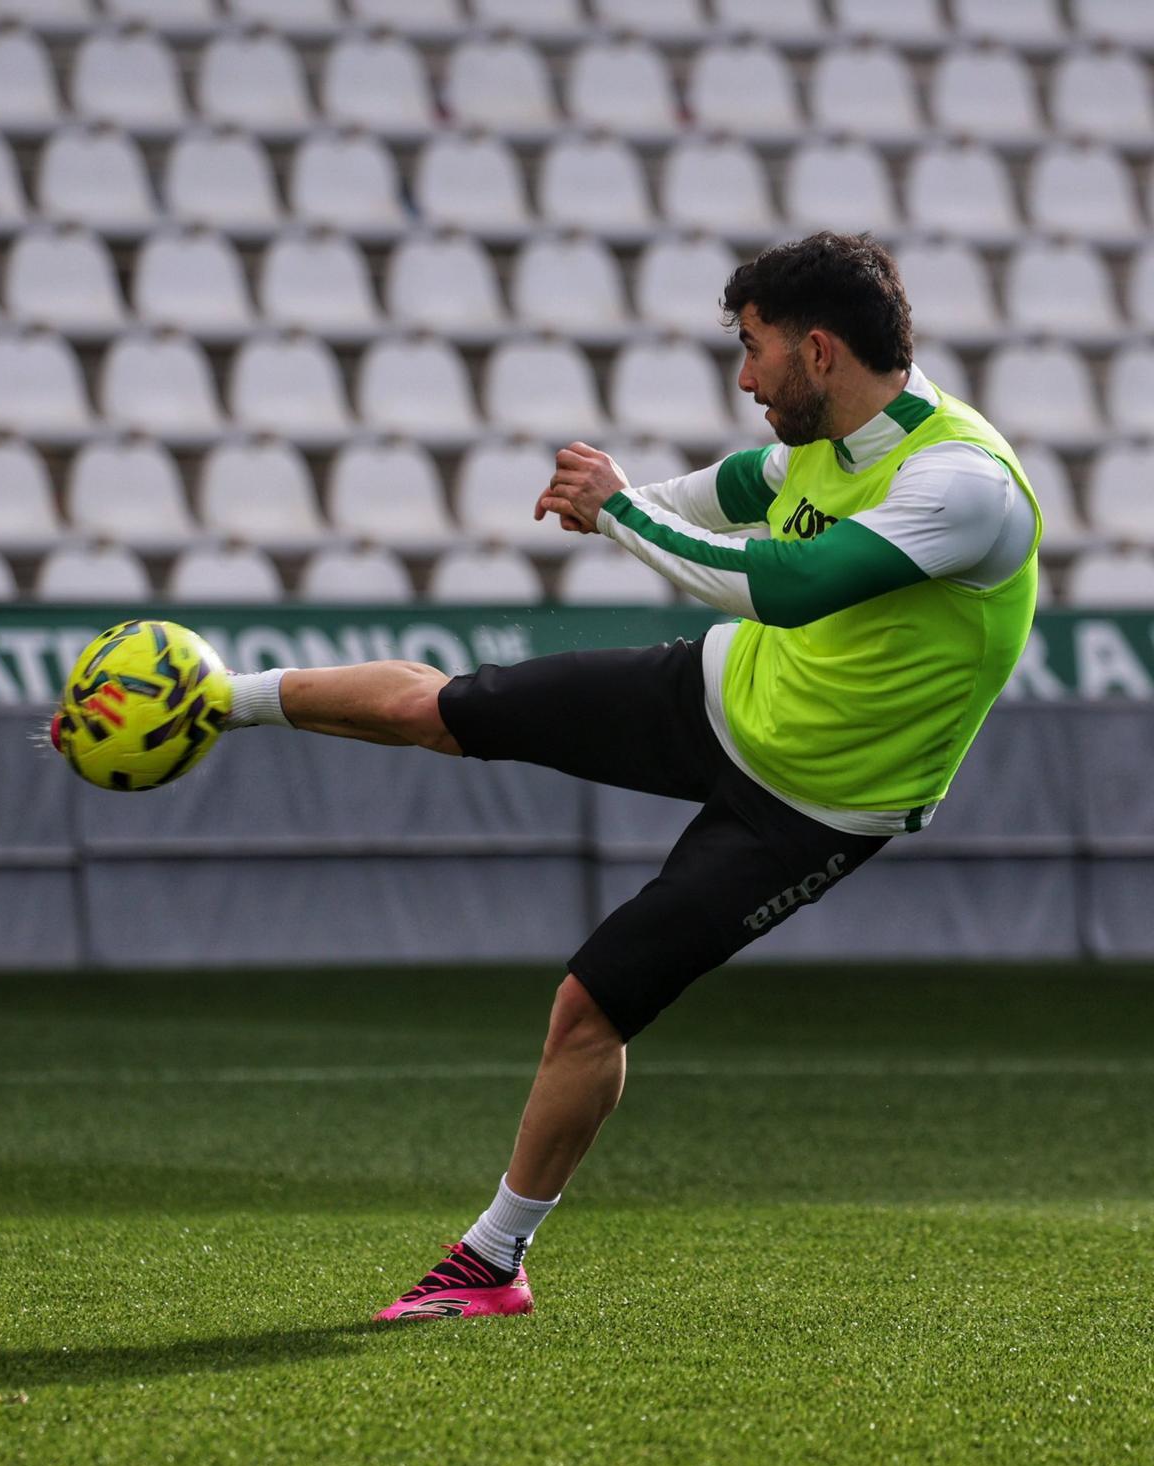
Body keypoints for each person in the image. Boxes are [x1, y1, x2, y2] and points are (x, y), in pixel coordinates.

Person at [222, 231, 1042, 1321]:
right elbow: (729, 494)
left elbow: (790, 587)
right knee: (446, 708)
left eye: (754, 352)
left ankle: (494, 1259)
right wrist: (628, 499)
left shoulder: (963, 485)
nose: (745, 379)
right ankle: (214, 696)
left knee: (589, 1007)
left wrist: (619, 508)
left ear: (822, 350)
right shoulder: (829, 436)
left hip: (817, 805)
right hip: (722, 692)